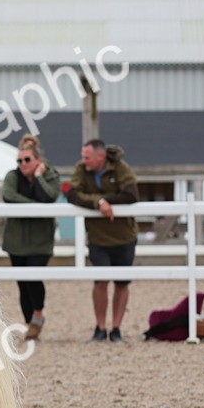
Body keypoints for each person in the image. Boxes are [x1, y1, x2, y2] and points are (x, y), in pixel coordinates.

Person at [66, 139, 139, 343]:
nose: (84, 160)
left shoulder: (121, 168)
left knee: (122, 283)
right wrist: (98, 202)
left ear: (101, 157)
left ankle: (116, 329)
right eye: (83, 156)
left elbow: (131, 194)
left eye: (87, 157)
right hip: (98, 237)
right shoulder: (82, 169)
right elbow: (72, 194)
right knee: (100, 282)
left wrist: (108, 201)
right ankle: (100, 327)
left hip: (124, 236)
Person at [0, 135, 61, 340]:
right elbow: (8, 195)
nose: (22, 164)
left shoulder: (51, 175)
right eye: (20, 160)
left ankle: (37, 315)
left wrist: (39, 178)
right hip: (16, 240)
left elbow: (50, 197)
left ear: (37, 160)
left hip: (41, 240)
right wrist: (34, 205)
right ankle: (29, 322)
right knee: (22, 282)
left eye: (27, 160)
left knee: (34, 278)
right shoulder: (12, 176)